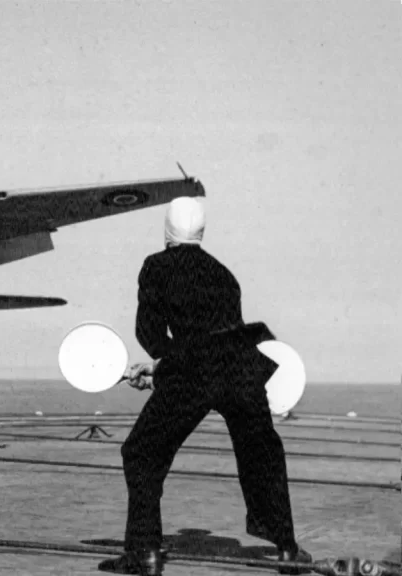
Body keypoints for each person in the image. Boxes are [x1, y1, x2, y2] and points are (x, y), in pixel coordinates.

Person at [98, 197, 311, 575]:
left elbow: (150, 332)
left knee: (141, 452)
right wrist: (164, 368)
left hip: (194, 372)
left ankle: (144, 553)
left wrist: (160, 366)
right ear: (202, 232)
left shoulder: (156, 266)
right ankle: (287, 549)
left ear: (167, 230)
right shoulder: (224, 274)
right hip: (241, 368)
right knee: (263, 454)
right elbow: (219, 339)